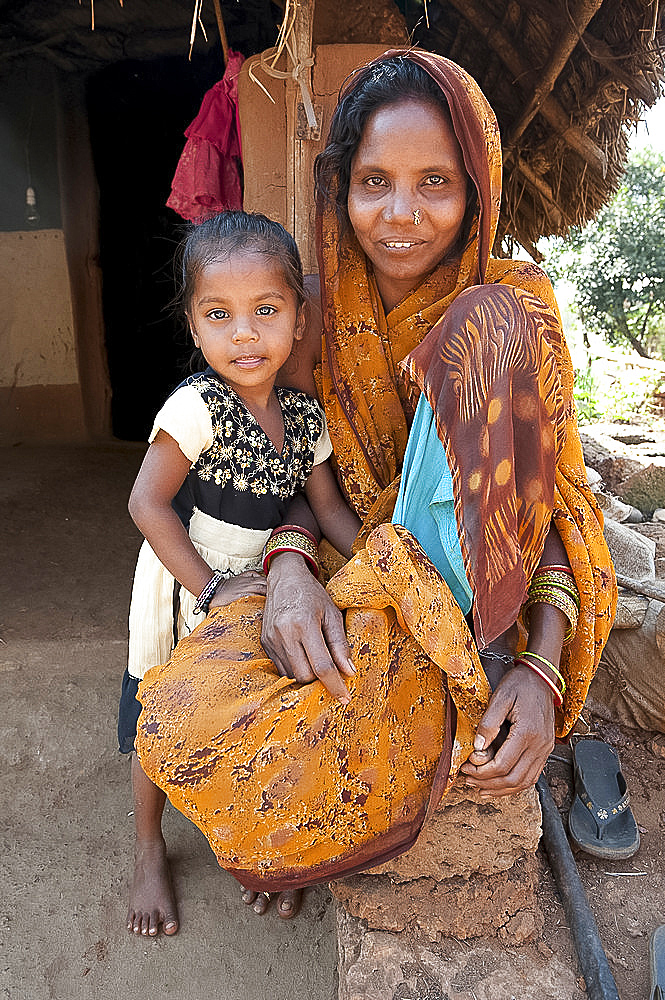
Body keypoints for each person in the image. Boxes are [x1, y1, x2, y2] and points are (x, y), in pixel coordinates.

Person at [135, 50, 616, 926]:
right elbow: (297, 471)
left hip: (471, 606)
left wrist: (541, 672)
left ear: (478, 189)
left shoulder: (513, 308)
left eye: (435, 181)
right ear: (339, 190)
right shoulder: (307, 313)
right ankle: (289, 843)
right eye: (373, 183)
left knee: (485, 327)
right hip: (354, 573)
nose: (401, 215)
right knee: (179, 711)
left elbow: (552, 508)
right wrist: (286, 572)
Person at [119, 210, 361, 936]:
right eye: (218, 315)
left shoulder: (302, 415)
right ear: (193, 328)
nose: (245, 334)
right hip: (185, 583)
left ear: (297, 317)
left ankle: (250, 844)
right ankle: (147, 849)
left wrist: (382, 557)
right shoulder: (196, 407)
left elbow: (329, 510)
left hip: (257, 585)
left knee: (244, 715)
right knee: (160, 717)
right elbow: (146, 502)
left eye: (265, 311)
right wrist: (209, 586)